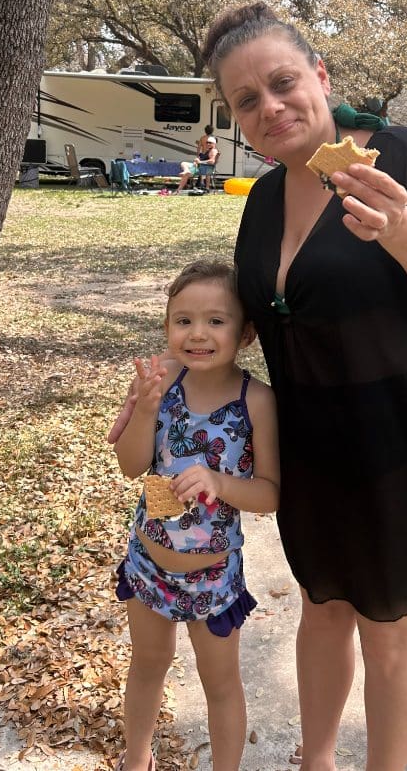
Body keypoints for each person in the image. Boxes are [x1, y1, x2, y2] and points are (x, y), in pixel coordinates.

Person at [198, 3, 407, 771]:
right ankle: (317, 761)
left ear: (321, 77)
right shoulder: (263, 200)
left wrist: (400, 228)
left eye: (282, 82)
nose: (269, 107)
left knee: (388, 631)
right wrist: (178, 380)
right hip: (310, 450)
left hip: (404, 444)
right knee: (322, 607)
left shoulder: (402, 159)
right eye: (245, 99)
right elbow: (268, 315)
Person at [112, 260, 279, 771]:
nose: (198, 333)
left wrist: (220, 483)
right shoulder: (161, 382)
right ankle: (136, 760)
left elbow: (270, 493)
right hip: (148, 565)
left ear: (246, 333)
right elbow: (130, 466)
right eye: (183, 320)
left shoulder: (257, 401)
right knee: (147, 665)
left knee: (220, 683)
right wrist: (144, 409)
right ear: (167, 326)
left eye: (216, 321)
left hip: (213, 576)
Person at [175, 129, 219, 194]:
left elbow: (212, 161)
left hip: (203, 169)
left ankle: (178, 190)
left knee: (184, 164)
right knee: (184, 166)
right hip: (201, 167)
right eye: (207, 142)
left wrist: (200, 162)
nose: (208, 144)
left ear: (214, 143)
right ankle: (179, 188)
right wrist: (197, 161)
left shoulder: (213, 151)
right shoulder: (209, 150)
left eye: (210, 143)